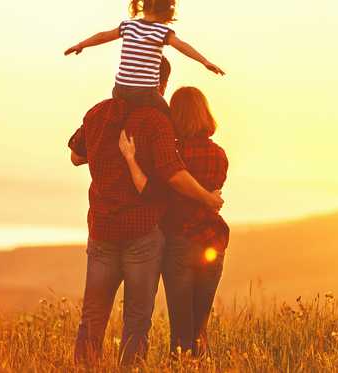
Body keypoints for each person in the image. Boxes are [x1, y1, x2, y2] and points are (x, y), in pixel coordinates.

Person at [68, 57, 223, 365]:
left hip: (102, 229)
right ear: (159, 82)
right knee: (137, 320)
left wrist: (108, 150)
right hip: (141, 234)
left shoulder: (98, 112)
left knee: (93, 315)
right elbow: (172, 173)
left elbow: (75, 156)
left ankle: (85, 368)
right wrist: (207, 197)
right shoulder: (156, 121)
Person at [118, 86, 229, 356]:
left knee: (181, 330)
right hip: (213, 243)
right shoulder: (219, 155)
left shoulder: (172, 156)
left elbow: (152, 190)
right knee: (200, 327)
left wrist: (131, 159)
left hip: (179, 244)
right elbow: (214, 191)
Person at [64, 0, 224, 113]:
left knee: (118, 109)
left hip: (120, 89)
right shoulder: (162, 31)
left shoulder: (128, 26)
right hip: (145, 92)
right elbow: (182, 46)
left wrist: (81, 45)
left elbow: (102, 36)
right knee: (167, 117)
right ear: (166, 11)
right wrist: (204, 61)